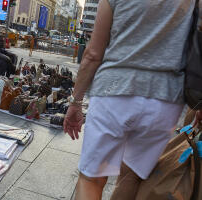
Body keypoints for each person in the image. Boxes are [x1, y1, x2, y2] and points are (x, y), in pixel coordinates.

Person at [63, 0, 202, 200]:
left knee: (91, 179)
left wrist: (75, 102)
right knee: (130, 177)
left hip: (113, 93)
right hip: (164, 99)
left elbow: (93, 54)